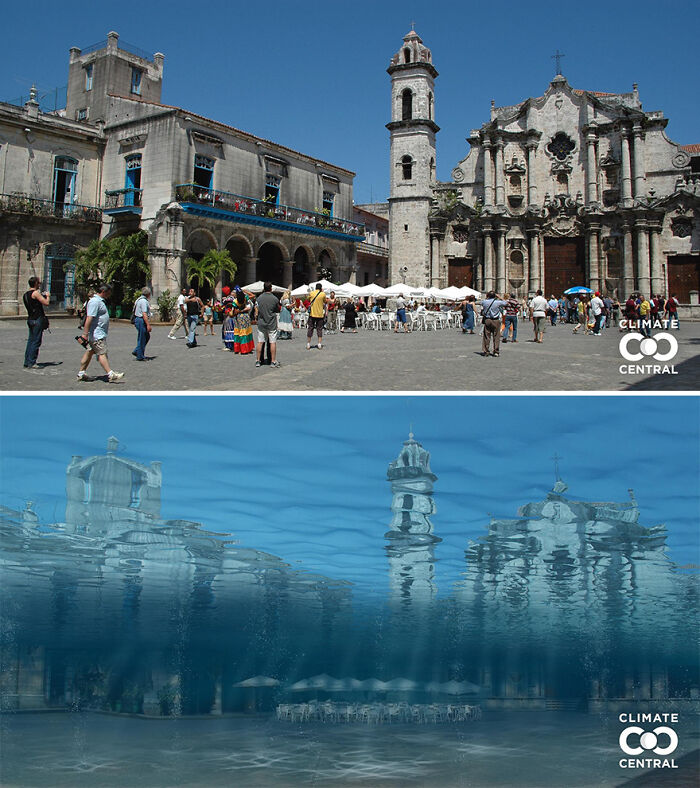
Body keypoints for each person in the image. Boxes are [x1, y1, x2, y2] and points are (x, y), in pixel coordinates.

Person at [76, 284, 124, 382]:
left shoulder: (98, 301)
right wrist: (85, 334)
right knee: (102, 353)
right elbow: (90, 318)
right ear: (103, 291)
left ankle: (81, 373)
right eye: (108, 293)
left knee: (89, 352)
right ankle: (110, 373)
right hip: (96, 334)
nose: (109, 295)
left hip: (96, 333)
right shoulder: (95, 302)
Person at [23, 276, 50, 369]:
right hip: (37, 319)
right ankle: (32, 362)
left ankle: (27, 361)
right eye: (39, 283)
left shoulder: (26, 294)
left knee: (31, 340)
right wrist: (48, 296)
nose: (39, 285)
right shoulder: (35, 293)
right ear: (35, 283)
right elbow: (46, 303)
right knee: (36, 341)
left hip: (30, 318)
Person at [255, 281, 281, 368]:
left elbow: (256, 309)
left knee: (260, 342)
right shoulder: (274, 299)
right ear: (271, 288)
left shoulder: (259, 298)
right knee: (272, 342)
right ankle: (273, 361)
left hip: (261, 323)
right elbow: (278, 309)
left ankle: (258, 360)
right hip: (271, 323)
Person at [480, 291, 507, 357]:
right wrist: (499, 297)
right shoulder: (498, 302)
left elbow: (481, 302)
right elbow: (506, 303)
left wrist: (487, 297)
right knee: (496, 336)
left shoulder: (484, 302)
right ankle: (496, 351)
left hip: (487, 320)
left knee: (486, 336)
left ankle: (486, 351)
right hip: (496, 320)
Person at [231, 287, 254, 354]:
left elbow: (234, 311)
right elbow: (252, 295)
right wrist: (244, 290)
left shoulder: (235, 301)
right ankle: (246, 349)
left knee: (238, 332)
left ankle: (238, 349)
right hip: (245, 316)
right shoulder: (245, 298)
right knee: (246, 332)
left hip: (238, 317)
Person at [132, 287, 152, 361]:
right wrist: (148, 325)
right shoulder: (143, 301)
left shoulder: (139, 299)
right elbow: (144, 313)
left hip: (139, 319)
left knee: (146, 336)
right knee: (142, 338)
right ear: (148, 294)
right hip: (141, 320)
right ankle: (140, 355)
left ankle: (137, 350)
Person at [306, 283, 326, 349]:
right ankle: (319, 344)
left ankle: (308, 343)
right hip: (320, 314)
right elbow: (325, 301)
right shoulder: (323, 294)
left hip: (312, 314)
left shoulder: (311, 293)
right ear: (321, 288)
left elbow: (308, 299)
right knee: (319, 329)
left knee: (310, 328)